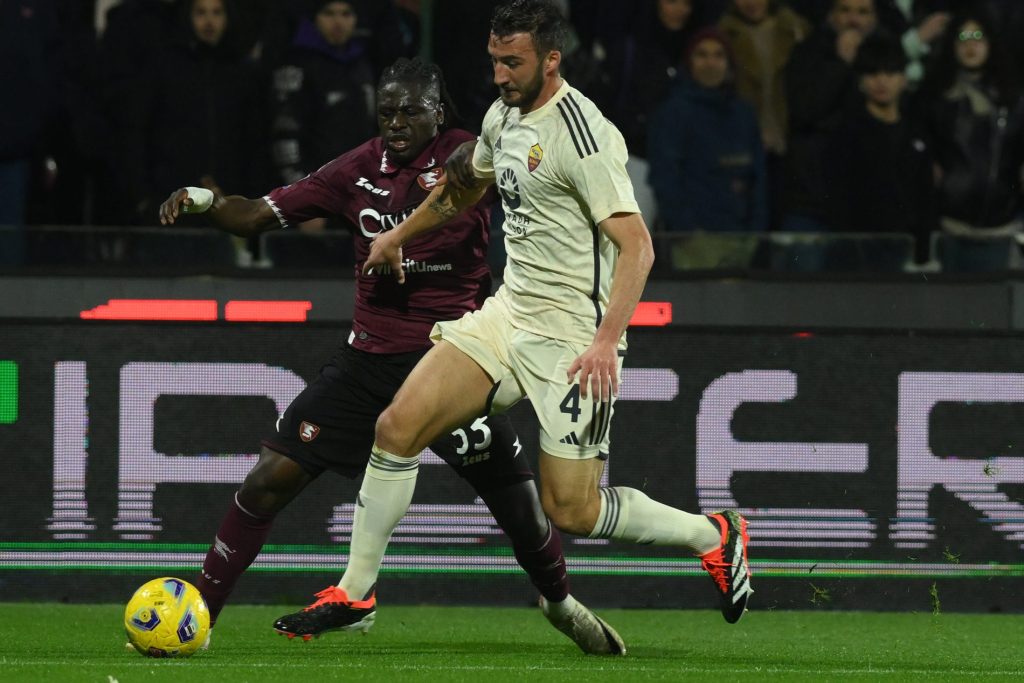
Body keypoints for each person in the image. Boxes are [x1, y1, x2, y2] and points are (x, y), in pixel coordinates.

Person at [158, 56, 625, 656]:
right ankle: (197, 613)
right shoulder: (355, 170)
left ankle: (561, 605)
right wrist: (204, 200)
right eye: (387, 112)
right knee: (267, 480)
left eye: (411, 111)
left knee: (524, 512)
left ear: (439, 111)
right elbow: (252, 216)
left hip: (455, 362)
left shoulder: (474, 155)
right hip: (367, 364)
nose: (397, 123)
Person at [359, 0, 752, 635]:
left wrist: (605, 342)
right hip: (508, 315)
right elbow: (468, 186)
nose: (499, 76)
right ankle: (354, 596)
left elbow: (638, 247)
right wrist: (400, 234)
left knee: (571, 509)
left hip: (574, 338)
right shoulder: (502, 116)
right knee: (397, 425)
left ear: (551, 60)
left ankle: (713, 535)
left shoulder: (584, 135)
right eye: (494, 61)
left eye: (512, 63)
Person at [647, 27, 767, 268]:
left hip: (742, 239)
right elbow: (665, 177)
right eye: (702, 54)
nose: (710, 63)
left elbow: (759, 177)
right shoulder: (673, 112)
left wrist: (755, 233)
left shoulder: (744, 113)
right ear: (689, 62)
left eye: (718, 55)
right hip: (694, 243)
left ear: (729, 64)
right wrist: (687, 233)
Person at [915, 8, 1024, 272]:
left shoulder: (1013, 99)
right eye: (963, 37)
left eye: (978, 36)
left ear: (991, 43)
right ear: (952, 45)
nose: (970, 45)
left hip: (1002, 227)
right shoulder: (936, 96)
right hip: (949, 227)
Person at [823, 31, 936, 268]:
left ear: (903, 79)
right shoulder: (846, 132)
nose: (881, 81)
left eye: (890, 73)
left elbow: (925, 198)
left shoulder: (917, 132)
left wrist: (923, 254)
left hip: (909, 253)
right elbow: (838, 202)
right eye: (873, 73)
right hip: (858, 256)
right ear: (861, 81)